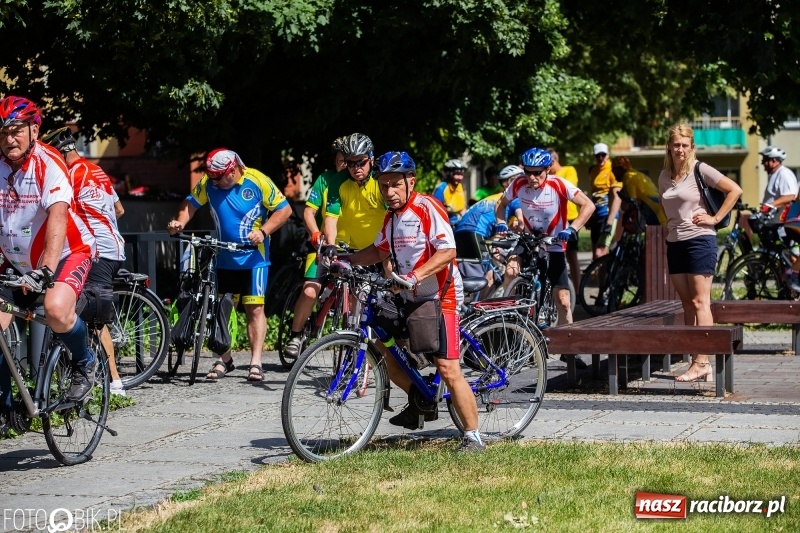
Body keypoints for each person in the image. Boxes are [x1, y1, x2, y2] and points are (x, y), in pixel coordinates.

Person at [343, 150, 484, 452]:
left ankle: (473, 436)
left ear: (411, 181)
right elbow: (378, 251)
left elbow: (448, 251)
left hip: (441, 294)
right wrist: (345, 259)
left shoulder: (426, 207)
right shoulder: (391, 218)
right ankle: (421, 400)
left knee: (447, 367)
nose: (389, 192)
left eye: (395, 184)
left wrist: (417, 275)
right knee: (385, 352)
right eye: (383, 186)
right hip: (409, 293)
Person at [0, 96, 98, 433]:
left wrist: (45, 269)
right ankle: (6, 406)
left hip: (68, 253)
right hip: (16, 259)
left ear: (34, 130)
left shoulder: (49, 162)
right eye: (3, 133)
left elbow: (57, 217)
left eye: (16, 130)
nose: (9, 139)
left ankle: (84, 362)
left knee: (56, 310)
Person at [167, 148, 291, 382]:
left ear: (233, 170)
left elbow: (284, 209)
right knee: (221, 310)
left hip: (254, 259)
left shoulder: (257, 180)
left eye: (219, 178)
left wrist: (264, 231)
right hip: (224, 257)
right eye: (212, 178)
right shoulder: (209, 182)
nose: (215, 182)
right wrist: (180, 222)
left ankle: (255, 362)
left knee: (254, 309)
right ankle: (224, 359)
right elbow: (190, 204)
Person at [283, 133, 386, 359]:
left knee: (357, 298)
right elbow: (327, 217)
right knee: (310, 290)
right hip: (332, 246)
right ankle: (296, 335)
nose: (353, 167)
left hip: (366, 251)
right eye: (348, 162)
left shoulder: (380, 181)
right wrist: (326, 242)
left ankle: (353, 346)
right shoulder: (332, 180)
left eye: (359, 162)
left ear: (370, 159)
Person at [42, 127, 128, 396]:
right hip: (114, 246)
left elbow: (61, 214)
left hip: (96, 250)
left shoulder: (67, 175)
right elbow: (119, 209)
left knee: (90, 319)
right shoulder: (97, 170)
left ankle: (114, 384)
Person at [658, 122, 742, 383]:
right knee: (687, 303)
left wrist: (714, 218)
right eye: (676, 145)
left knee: (700, 302)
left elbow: (734, 190)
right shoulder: (663, 176)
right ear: (669, 147)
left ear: (691, 146)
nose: (680, 149)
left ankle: (702, 362)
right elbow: (667, 207)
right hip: (675, 242)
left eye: (685, 145)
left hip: (700, 240)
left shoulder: (700, 169)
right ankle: (696, 357)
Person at [495, 148, 595, 366]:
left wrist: (573, 228)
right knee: (511, 273)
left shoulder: (559, 184)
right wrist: (501, 222)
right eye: (528, 172)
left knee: (563, 301)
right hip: (529, 240)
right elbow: (500, 205)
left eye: (537, 172)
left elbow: (589, 205)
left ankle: (569, 350)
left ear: (548, 169)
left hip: (554, 243)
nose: (532, 177)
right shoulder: (518, 184)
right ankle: (513, 329)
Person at [454, 165, 523, 297]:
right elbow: (522, 222)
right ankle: (478, 307)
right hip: (475, 232)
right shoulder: (513, 199)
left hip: (460, 232)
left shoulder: (497, 197)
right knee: (488, 276)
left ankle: (470, 303)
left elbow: (496, 233)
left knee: (473, 276)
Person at [548, 149, 582, 295]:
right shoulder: (546, 175)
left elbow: (568, 188)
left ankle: (578, 291)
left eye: (548, 164)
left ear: (554, 161)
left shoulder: (569, 170)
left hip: (570, 218)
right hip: (553, 219)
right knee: (553, 255)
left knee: (571, 255)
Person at [587, 142, 622, 259]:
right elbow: (593, 195)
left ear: (608, 155)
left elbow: (617, 197)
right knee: (595, 255)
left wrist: (609, 222)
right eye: (598, 155)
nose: (600, 158)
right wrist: (589, 216)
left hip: (608, 216)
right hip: (596, 216)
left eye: (603, 155)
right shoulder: (593, 171)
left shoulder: (613, 170)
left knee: (600, 253)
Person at [610, 156, 667, 226]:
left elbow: (633, 203)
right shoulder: (638, 174)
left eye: (613, 170)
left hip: (655, 212)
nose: (613, 173)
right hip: (661, 208)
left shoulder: (628, 177)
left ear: (620, 168)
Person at [760, 146, 798, 210]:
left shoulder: (784, 173)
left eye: (764, 160)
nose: (762, 163)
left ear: (773, 161)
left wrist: (770, 206)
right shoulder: (776, 174)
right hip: (769, 216)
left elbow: (790, 197)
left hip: (779, 216)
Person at [433, 159, 468, 226]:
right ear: (449, 174)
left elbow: (462, 208)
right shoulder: (442, 188)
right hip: (444, 224)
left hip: (458, 223)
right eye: (457, 174)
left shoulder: (460, 186)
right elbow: (435, 210)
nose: (460, 177)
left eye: (461, 174)